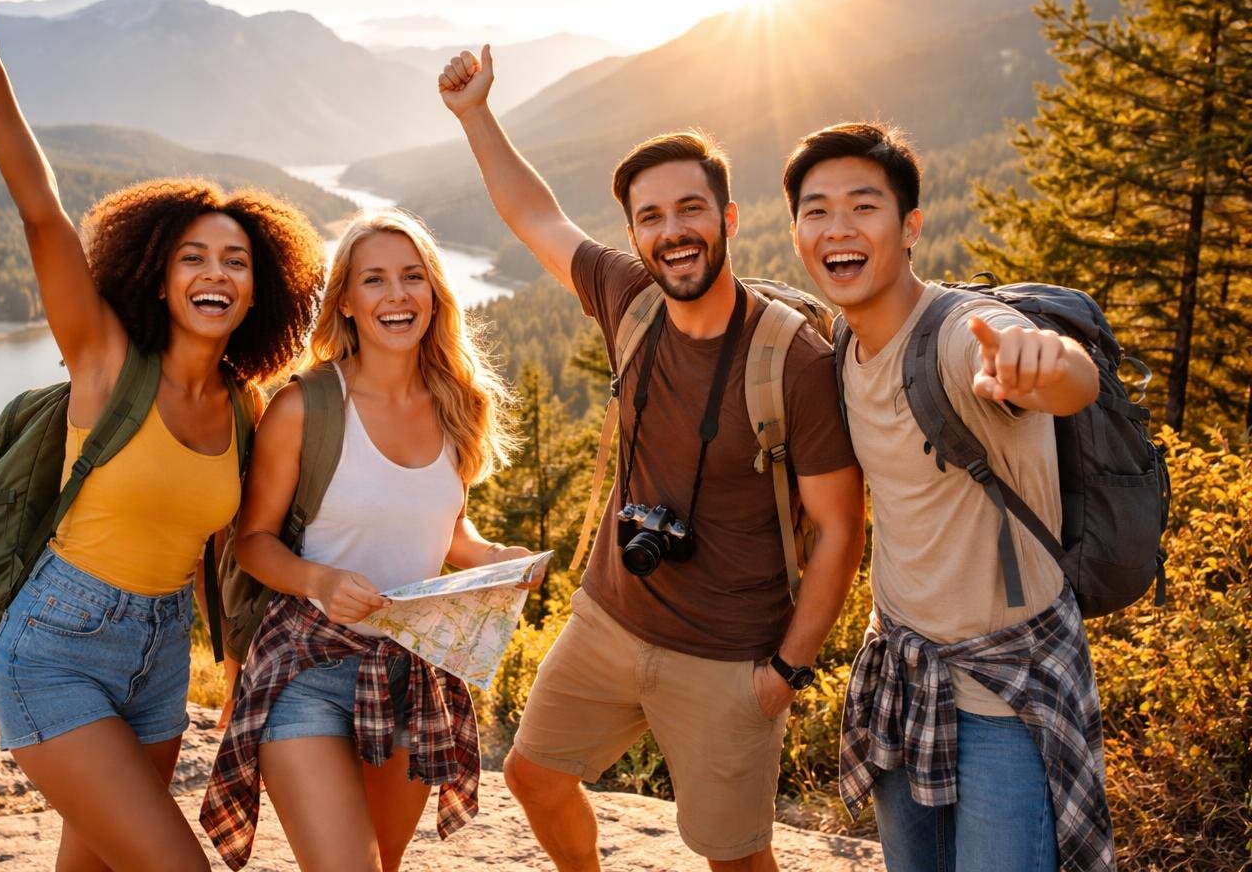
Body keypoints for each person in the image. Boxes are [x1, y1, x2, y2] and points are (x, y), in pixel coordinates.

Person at [0, 0, 325, 871]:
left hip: (160, 660)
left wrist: (237, 668)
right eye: (195, 256)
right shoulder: (106, 360)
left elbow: (235, 550)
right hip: (57, 646)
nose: (215, 273)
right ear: (158, 275)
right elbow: (41, 210)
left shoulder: (246, 406)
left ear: (256, 289)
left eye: (235, 261)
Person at [437, 47, 865, 872]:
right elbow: (537, 216)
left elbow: (841, 529)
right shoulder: (630, 301)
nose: (672, 233)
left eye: (690, 210)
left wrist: (786, 671)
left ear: (729, 219)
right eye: (651, 218)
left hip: (729, 656)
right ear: (634, 232)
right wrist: (474, 115)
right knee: (532, 776)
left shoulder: (794, 361)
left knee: (733, 856)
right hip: (608, 620)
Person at [783, 122, 1113, 872]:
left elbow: (1063, 373)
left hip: (1007, 696)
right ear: (798, 232)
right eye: (817, 209)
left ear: (911, 229)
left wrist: (1045, 362)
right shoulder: (843, 346)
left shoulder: (964, 337)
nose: (839, 227)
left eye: (864, 206)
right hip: (906, 674)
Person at [199, 209, 535, 872]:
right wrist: (320, 581)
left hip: (408, 670)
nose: (397, 295)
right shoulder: (304, 408)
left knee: (382, 864)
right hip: (305, 668)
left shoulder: (456, 405)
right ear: (346, 301)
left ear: (435, 293)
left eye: (412, 277)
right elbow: (253, 541)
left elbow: (447, 528)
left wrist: (496, 560)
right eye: (374, 280)